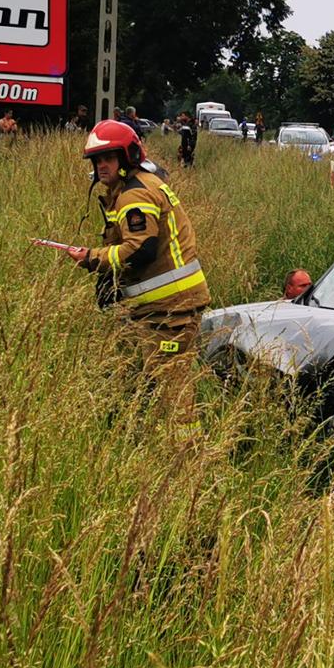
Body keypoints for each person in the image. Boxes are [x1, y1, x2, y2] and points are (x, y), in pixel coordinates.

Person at [58, 120, 212, 434]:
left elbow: (141, 249)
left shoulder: (134, 196)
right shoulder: (139, 185)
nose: (101, 166)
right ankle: (151, 444)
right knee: (147, 380)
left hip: (171, 310)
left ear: (126, 157)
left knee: (174, 388)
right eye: (97, 160)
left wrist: (92, 259)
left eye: (108, 158)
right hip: (159, 308)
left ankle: (189, 457)